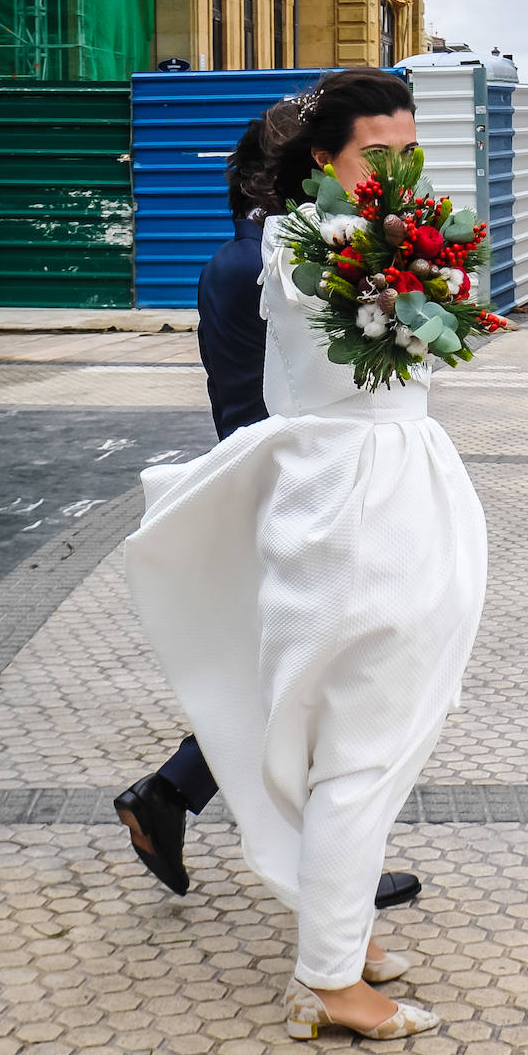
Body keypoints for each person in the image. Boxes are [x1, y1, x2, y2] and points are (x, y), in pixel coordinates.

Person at [125, 68, 487, 1043]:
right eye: (377, 149)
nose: (399, 168)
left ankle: (345, 931)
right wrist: (422, 269)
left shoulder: (364, 238)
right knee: (359, 751)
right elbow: (408, 303)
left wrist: (428, 269)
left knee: (365, 741)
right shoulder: (297, 244)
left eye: (408, 149)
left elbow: (441, 311)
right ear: (322, 158)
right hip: (353, 516)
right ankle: (331, 982)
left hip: (389, 494)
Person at [112, 109, 420, 916]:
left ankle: (178, 797)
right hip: (301, 483)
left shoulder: (237, 257)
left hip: (263, 472)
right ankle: (322, 867)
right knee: (321, 676)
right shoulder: (284, 260)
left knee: (294, 668)